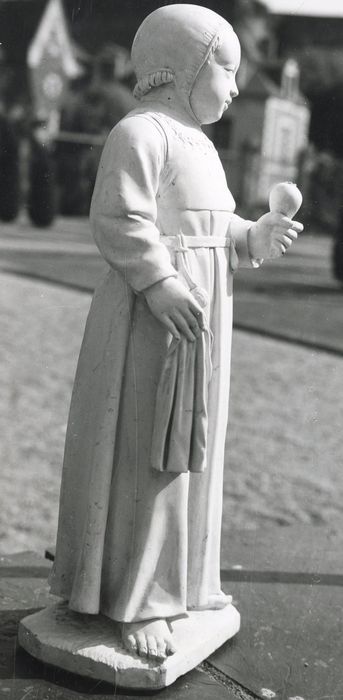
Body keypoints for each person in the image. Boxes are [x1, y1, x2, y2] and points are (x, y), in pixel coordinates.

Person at [49, 4, 303, 662]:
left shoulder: (202, 146)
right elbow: (118, 219)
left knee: (191, 454)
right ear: (184, 66)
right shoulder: (141, 133)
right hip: (149, 322)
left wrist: (256, 235)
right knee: (145, 452)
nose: (236, 86)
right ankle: (134, 601)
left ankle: (185, 582)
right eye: (226, 68)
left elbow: (215, 230)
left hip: (199, 326)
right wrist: (158, 282)